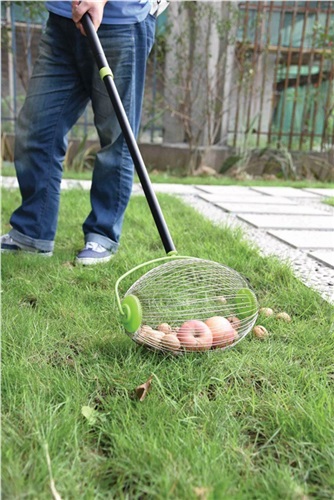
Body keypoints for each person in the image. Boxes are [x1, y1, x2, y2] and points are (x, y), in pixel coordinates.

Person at [1, 0, 165, 265]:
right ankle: (32, 232)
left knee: (116, 138)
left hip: (119, 23)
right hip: (62, 18)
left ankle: (102, 235)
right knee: (37, 128)